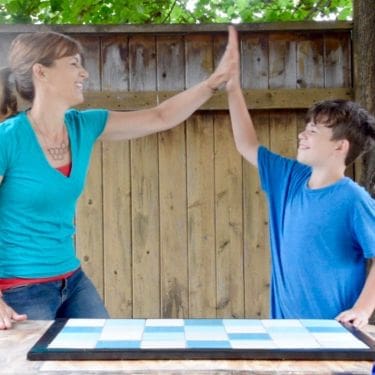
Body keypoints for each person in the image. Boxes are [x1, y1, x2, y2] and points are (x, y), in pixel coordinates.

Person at [0, 27, 238, 330]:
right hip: (19, 289)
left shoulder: (83, 126)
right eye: (73, 64)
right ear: (41, 73)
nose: (84, 73)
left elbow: (160, 116)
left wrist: (213, 82)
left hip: (71, 281)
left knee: (106, 355)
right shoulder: (7, 140)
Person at [226, 28, 375, 328]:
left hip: (334, 333)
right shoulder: (289, 179)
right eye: (305, 127)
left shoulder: (352, 199)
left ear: (339, 146)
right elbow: (247, 144)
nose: (302, 134)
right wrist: (232, 88)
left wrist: (362, 310)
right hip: (284, 331)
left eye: (313, 131)